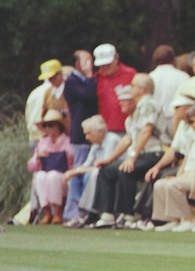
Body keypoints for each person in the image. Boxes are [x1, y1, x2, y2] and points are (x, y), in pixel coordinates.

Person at [89, 75, 165, 229]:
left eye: (133, 85)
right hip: (140, 153)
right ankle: (106, 214)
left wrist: (132, 157)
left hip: (154, 152)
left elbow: (146, 131)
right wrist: (109, 160)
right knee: (107, 171)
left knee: (126, 170)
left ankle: (128, 214)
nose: (130, 88)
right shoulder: (135, 112)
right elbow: (127, 139)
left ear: (142, 89)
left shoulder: (149, 104)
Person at [62, 114, 122, 228]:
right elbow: (87, 164)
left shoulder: (112, 140)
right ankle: (81, 212)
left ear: (100, 132)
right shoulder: (96, 144)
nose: (86, 137)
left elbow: (102, 165)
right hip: (103, 171)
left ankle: (91, 212)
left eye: (88, 133)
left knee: (93, 174)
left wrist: (79, 171)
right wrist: (75, 171)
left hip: (115, 172)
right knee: (76, 177)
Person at [27, 109, 74, 224]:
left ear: (58, 126)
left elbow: (72, 162)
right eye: (45, 125)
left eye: (51, 125)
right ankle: (47, 212)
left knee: (53, 176)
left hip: (63, 176)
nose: (48, 128)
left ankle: (57, 212)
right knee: (40, 176)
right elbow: (31, 167)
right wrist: (38, 156)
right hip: (46, 174)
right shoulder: (43, 142)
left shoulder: (67, 141)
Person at [63, 50, 99, 178]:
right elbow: (89, 96)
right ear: (78, 64)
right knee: (79, 169)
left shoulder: (91, 80)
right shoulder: (71, 82)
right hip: (81, 133)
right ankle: (75, 198)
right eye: (87, 61)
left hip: (94, 132)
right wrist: (89, 76)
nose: (91, 64)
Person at [92, 43, 136, 135]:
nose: (104, 68)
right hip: (105, 129)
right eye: (101, 65)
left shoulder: (130, 74)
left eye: (107, 64)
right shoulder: (96, 78)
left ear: (116, 58)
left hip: (128, 127)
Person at [149, 44, 190, 137]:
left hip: (157, 121)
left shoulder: (151, 77)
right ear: (173, 58)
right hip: (178, 119)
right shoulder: (183, 76)